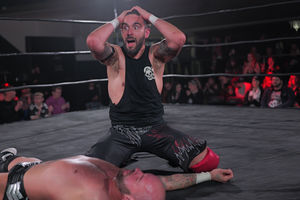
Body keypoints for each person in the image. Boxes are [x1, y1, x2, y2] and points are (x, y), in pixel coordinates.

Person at [86, 6, 219, 173]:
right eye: (125, 28)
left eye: (136, 26)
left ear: (146, 32)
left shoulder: (155, 55)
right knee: (91, 173)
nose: (129, 32)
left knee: (207, 162)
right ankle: (123, 154)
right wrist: (118, 20)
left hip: (157, 130)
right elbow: (93, 41)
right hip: (122, 133)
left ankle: (144, 155)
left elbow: (178, 38)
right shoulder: (115, 57)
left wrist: (148, 16)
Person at [0, 148, 233, 200]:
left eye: (139, 178)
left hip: (18, 187)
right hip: (32, 167)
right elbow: (167, 181)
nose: (139, 170)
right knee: (23, 161)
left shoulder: (93, 195)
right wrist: (209, 176)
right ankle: (8, 159)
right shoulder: (118, 175)